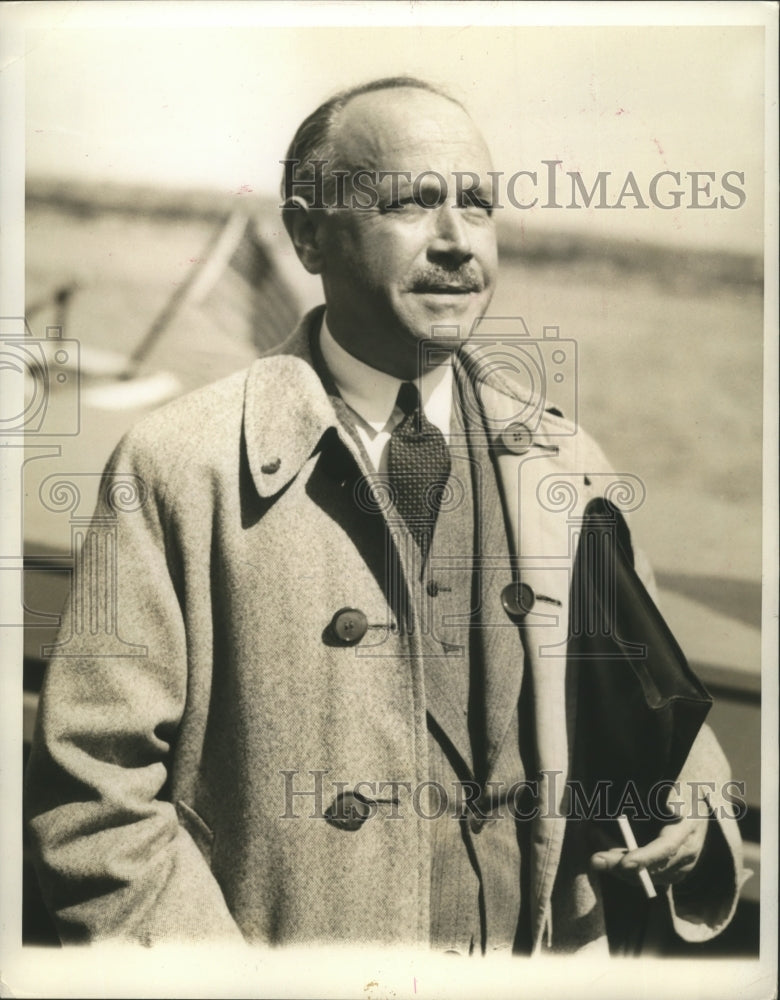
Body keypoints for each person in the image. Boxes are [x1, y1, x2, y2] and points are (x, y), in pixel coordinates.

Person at [25, 77, 746, 955]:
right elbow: (96, 802)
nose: (456, 243)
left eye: (477, 205)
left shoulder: (565, 461)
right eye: (412, 202)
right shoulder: (179, 466)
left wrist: (689, 803)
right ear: (305, 233)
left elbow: (649, 701)